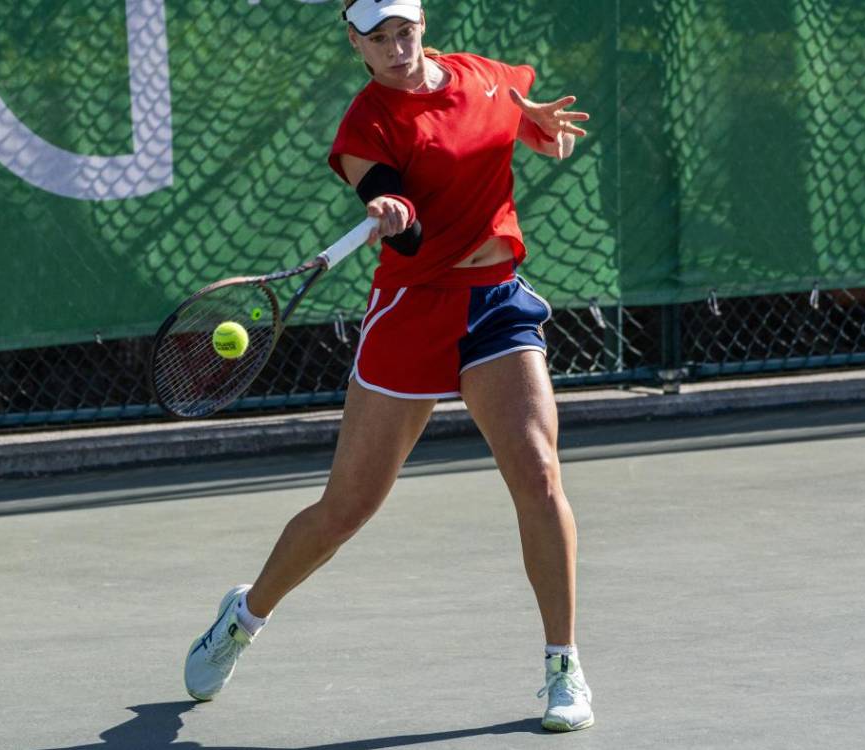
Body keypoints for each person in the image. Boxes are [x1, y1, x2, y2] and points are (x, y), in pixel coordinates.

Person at [183, 0, 595, 733]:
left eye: (405, 31)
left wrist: (533, 120)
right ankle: (243, 617)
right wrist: (393, 212)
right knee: (348, 509)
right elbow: (384, 198)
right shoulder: (366, 122)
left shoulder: (485, 79)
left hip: (495, 303)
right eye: (379, 38)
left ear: (422, 26)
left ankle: (562, 663)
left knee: (538, 475)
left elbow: (513, 111)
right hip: (412, 312)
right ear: (356, 45)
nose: (397, 47)